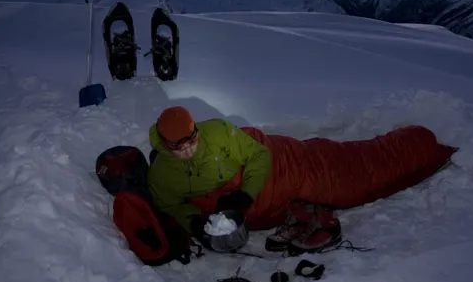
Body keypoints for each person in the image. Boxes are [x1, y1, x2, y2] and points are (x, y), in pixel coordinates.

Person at [147, 106, 457, 254]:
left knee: (352, 176)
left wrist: (244, 197)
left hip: (281, 164)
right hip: (257, 204)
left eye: (191, 141)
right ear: (165, 144)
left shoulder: (216, 131)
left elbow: (259, 156)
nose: (188, 149)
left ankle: (425, 143)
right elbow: (170, 204)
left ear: (197, 132)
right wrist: (195, 224)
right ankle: (301, 210)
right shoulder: (163, 174)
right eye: (179, 147)